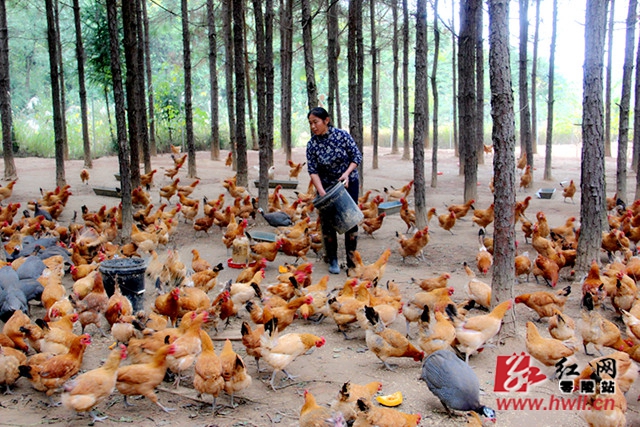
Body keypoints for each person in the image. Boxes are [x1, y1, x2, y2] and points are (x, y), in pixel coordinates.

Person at [306, 107, 362, 274]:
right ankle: (333, 260)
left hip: (347, 183)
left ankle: (352, 260)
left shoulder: (342, 136)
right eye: (310, 123)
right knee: (328, 225)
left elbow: (356, 157)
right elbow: (313, 171)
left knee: (350, 221)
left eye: (316, 122)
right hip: (326, 188)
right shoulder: (312, 145)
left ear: (326, 120)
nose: (313, 126)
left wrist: (346, 174)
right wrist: (322, 192)